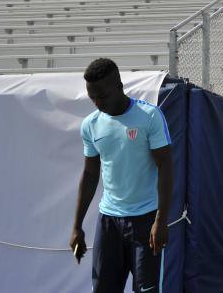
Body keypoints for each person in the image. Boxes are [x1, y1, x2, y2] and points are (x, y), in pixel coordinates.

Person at [70, 58, 173, 293]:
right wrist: (77, 225)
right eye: (92, 97)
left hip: (146, 221)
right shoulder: (91, 124)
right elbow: (89, 173)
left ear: (119, 86)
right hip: (109, 222)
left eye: (102, 96)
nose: (97, 102)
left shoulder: (149, 116)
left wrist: (161, 219)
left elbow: (166, 167)